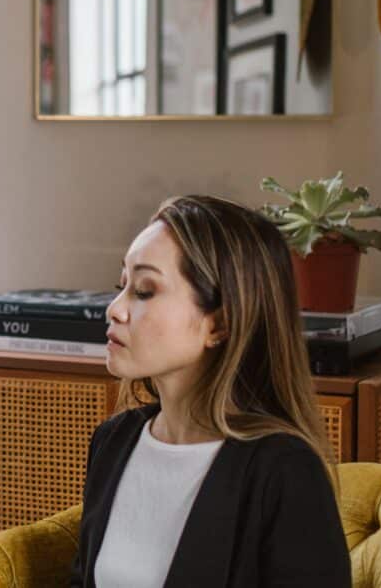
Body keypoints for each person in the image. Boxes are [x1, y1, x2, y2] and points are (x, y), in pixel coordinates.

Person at [70, 195, 350, 587]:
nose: (114, 309)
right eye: (122, 286)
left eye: (145, 291)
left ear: (219, 324)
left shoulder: (284, 471)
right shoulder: (113, 441)